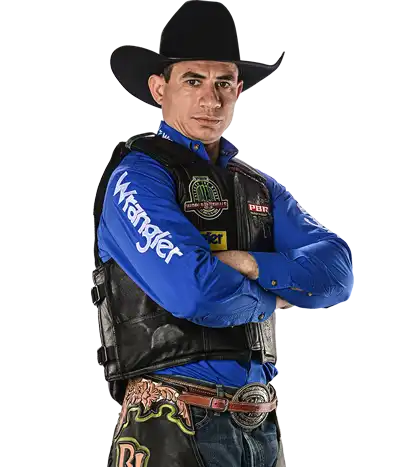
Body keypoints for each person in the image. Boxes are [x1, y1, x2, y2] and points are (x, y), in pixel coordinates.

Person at [92, 1, 354, 466]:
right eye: (193, 81)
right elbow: (197, 294)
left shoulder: (258, 188)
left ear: (238, 89)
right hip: (168, 421)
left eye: (224, 83)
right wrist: (277, 295)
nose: (211, 100)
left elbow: (338, 273)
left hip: (261, 427)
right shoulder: (137, 177)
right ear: (159, 88)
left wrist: (250, 263)